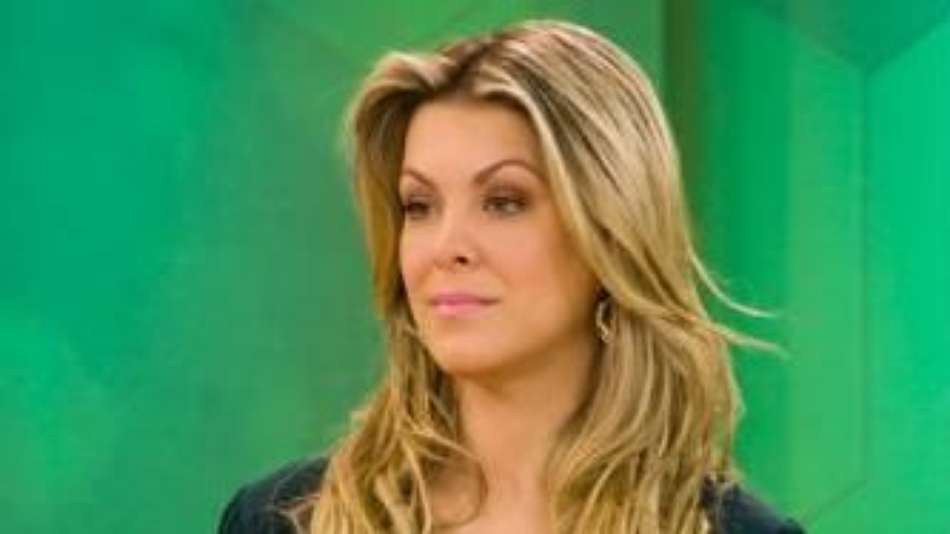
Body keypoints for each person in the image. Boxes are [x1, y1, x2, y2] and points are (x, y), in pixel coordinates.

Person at [218, 18, 805, 534]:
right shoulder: (279, 521)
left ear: (610, 229)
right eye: (419, 206)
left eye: (504, 202)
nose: (446, 248)